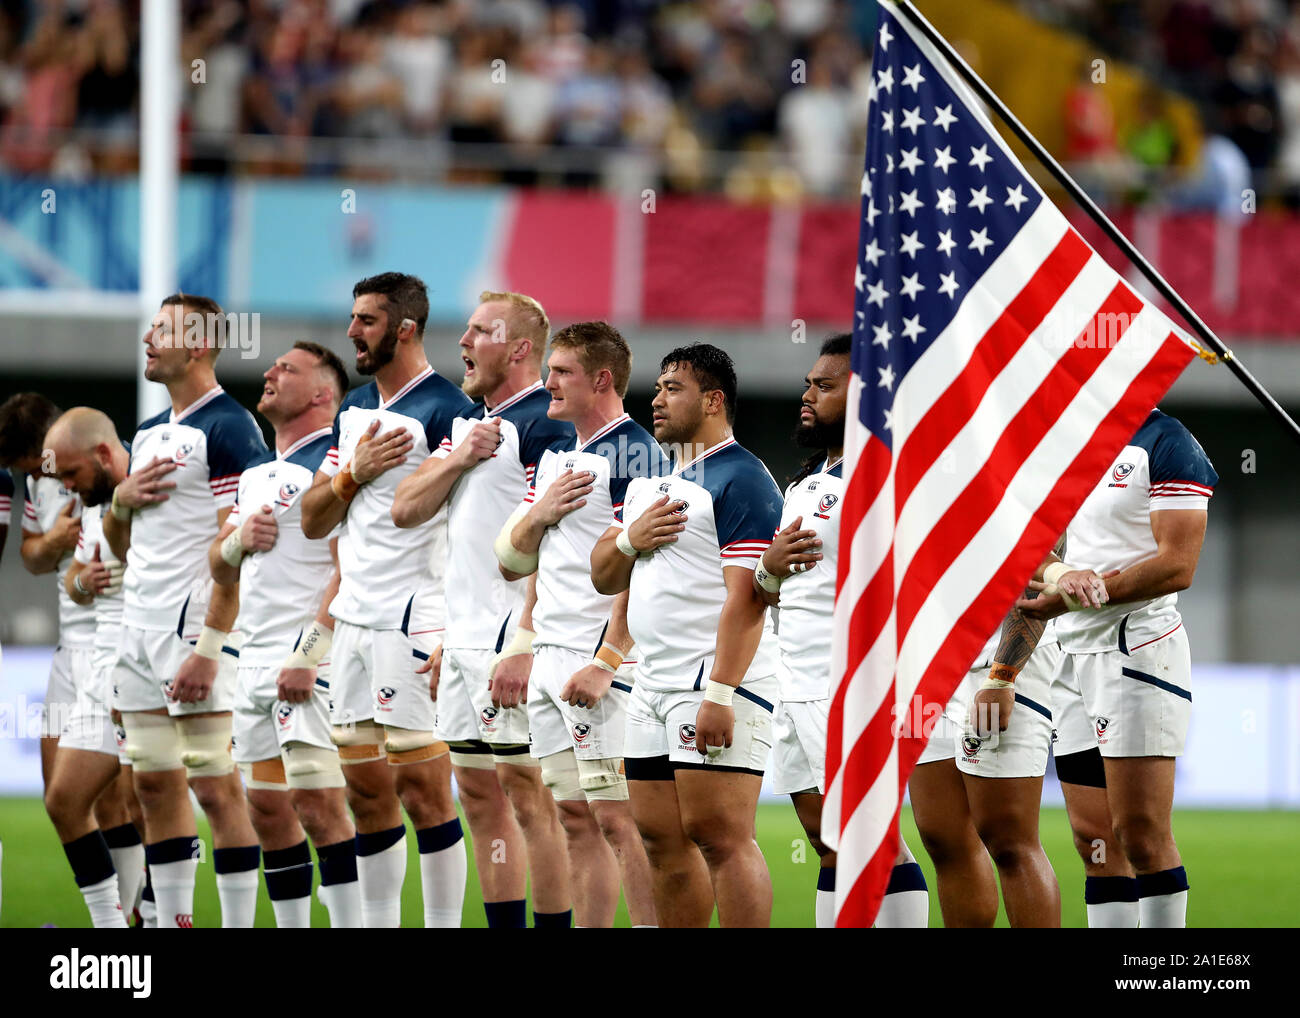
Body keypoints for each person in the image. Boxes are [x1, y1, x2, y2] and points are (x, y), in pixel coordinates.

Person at [391, 290, 576, 928]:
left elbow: (552, 543)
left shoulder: (546, 422)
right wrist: (461, 456)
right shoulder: (470, 426)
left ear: (520, 348)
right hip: (463, 639)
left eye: (478, 332)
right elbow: (405, 508)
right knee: (478, 799)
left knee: (533, 803)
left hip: (512, 647)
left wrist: (524, 644)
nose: (463, 342)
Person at [590, 343, 782, 928]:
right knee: (659, 842)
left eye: (673, 387)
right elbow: (603, 574)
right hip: (650, 680)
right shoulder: (652, 484)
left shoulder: (743, 478)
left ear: (714, 400)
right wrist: (630, 540)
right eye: (658, 387)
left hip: (711, 680)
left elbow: (747, 596)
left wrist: (721, 693)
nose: (657, 398)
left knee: (720, 838)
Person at [301, 272, 471, 928]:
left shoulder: (448, 409)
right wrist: (353, 472)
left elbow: (470, 524)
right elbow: (315, 521)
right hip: (353, 622)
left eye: (367, 320)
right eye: (352, 318)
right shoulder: (352, 415)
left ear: (405, 328)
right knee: (366, 792)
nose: (351, 332)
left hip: (414, 617)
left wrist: (461, 622)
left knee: (424, 791)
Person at [104, 293, 270, 929]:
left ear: (198, 345)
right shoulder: (147, 431)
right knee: (152, 784)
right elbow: (123, 546)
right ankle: (172, 922)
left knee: (216, 787)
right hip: (137, 632)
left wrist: (210, 647)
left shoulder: (229, 428)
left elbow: (239, 547)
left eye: (162, 330)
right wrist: (118, 503)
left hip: (193, 635)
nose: (148, 338)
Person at [493, 320, 665, 928]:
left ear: (602, 379)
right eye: (548, 368)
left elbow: (643, 567)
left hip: (601, 665)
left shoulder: (635, 451)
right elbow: (513, 556)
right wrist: (539, 514)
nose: (547, 382)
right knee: (573, 818)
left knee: (622, 821)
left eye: (562, 371)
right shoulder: (557, 457)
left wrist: (607, 660)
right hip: (550, 655)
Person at [1018, 408, 1217, 928]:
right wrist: (1062, 574)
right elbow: (1033, 544)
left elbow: (1179, 564)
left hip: (1137, 651)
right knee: (1094, 841)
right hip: (1070, 658)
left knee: (1142, 834)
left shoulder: (1166, 441)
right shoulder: (1066, 441)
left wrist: (1082, 596)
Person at [758, 333, 929, 929]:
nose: (806, 395)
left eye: (823, 386)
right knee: (823, 833)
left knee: (869, 836)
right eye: (808, 383)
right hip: (795, 675)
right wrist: (767, 568)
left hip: (853, 679)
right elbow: (773, 586)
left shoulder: (887, 470)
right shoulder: (807, 480)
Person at [207, 342, 363, 928]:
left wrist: (310, 652)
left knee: (321, 807)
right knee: (267, 810)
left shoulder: (335, 465)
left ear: (323, 394)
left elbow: (352, 567)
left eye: (287, 369)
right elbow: (219, 565)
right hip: (252, 660)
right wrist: (239, 539)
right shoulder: (253, 476)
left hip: (308, 662)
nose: (269, 372)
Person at [0, 393, 141, 918]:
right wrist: (56, 539)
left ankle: (136, 915)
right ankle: (122, 919)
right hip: (72, 645)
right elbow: (33, 557)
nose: (43, 478)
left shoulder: (114, 469)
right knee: (63, 796)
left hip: (119, 642)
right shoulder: (42, 482)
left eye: (41, 465)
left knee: (121, 799)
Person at [42, 408, 147, 927]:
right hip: (101, 660)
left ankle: (156, 917)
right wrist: (84, 583)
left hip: (150, 656)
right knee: (65, 800)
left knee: (161, 801)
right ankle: (115, 929)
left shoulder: (154, 479)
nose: (65, 486)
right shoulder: (93, 502)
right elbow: (74, 580)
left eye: (70, 474)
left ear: (104, 455)